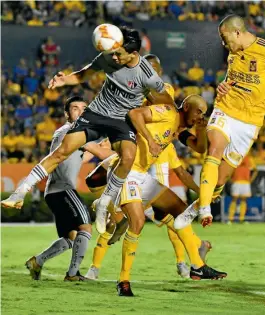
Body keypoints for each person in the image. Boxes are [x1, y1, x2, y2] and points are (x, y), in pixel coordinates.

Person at [2, 27, 174, 236]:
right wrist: (64, 79)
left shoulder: (148, 76)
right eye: (114, 52)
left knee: (128, 157)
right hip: (96, 113)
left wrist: (147, 105)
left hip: (121, 120)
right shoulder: (108, 57)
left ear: (134, 53)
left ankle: (105, 202)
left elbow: (167, 101)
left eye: (120, 53)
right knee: (61, 151)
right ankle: (20, 192)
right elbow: (85, 74)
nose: (115, 57)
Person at [174, 14, 265, 229]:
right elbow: (231, 79)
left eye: (225, 38)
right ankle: (205, 207)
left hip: (250, 122)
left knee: (221, 179)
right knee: (214, 149)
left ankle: (197, 205)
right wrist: (223, 86)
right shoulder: (233, 54)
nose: (223, 43)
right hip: (226, 108)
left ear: (238, 33)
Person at [111, 95, 227, 296]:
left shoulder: (179, 129)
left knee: (180, 210)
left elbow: (199, 148)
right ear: (186, 107)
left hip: (141, 176)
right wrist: (149, 139)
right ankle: (123, 281)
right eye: (198, 111)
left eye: (203, 113)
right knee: (137, 222)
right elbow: (134, 114)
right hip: (126, 172)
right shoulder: (167, 112)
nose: (200, 115)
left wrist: (203, 193)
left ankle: (197, 265)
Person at [25, 96, 114, 281]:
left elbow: (85, 155)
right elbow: (101, 153)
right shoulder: (74, 131)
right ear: (67, 114)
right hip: (63, 189)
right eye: (75, 108)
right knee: (86, 228)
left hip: (54, 191)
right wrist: (125, 150)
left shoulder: (67, 134)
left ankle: (37, 262)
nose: (81, 111)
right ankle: (73, 274)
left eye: (84, 108)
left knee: (72, 237)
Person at [227, 154, 257, 224]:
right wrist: (229, 178)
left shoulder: (249, 158)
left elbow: (255, 170)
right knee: (234, 199)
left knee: (243, 200)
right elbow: (229, 168)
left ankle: (242, 219)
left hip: (245, 182)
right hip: (236, 181)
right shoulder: (234, 157)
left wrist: (251, 180)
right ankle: (230, 219)